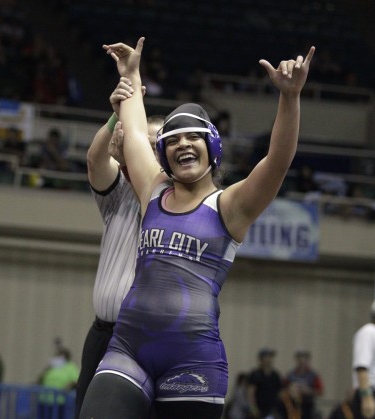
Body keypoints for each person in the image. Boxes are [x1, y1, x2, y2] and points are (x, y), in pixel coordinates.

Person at [78, 37, 315, 419]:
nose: (182, 144)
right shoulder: (151, 190)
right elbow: (137, 134)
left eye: (193, 137)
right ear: (164, 156)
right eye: (172, 140)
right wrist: (132, 74)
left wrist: (290, 98)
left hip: (192, 362)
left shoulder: (231, 206)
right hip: (127, 348)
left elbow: (278, 161)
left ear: (212, 147)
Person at [74, 77, 163, 418]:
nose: (151, 152)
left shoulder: (175, 200)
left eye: (159, 145)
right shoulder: (120, 190)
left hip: (148, 337)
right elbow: (95, 161)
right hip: (104, 332)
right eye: (147, 144)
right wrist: (116, 117)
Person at [282, 350, 324, 419]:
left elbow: (320, 391)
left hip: (307, 405)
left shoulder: (313, 375)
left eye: (304, 359)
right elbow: (283, 389)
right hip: (292, 406)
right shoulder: (290, 375)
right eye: (299, 359)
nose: (301, 361)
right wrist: (291, 390)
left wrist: (308, 391)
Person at [247, 348, 282, 419]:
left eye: (270, 357)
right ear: (261, 359)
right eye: (267, 357)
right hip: (259, 410)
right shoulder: (255, 374)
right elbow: (251, 393)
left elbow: (279, 393)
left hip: (272, 410)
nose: (269, 359)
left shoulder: (275, 375)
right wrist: (253, 408)